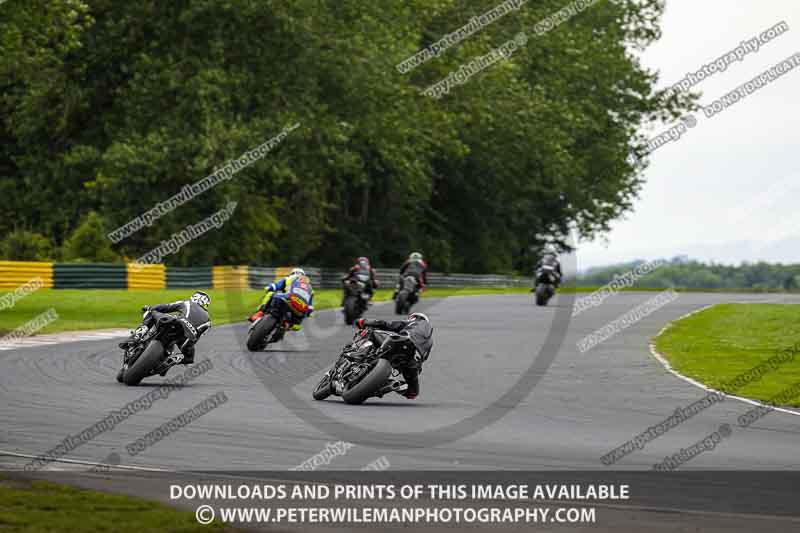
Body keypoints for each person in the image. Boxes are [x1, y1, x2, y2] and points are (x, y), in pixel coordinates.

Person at [354, 312, 433, 400]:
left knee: (371, 332)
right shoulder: (430, 341)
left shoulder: (415, 322)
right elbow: (423, 358)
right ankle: (390, 385)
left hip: (400, 342)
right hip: (412, 362)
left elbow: (387, 325)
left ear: (414, 318)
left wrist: (363, 321)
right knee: (413, 393)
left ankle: (357, 355)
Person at [118, 291, 211, 365]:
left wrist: (150, 308)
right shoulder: (208, 321)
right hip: (186, 338)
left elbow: (166, 307)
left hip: (175, 323)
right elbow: (197, 336)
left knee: (151, 312)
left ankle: (138, 335)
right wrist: (188, 349)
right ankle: (172, 360)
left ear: (193, 298)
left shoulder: (187, 303)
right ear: (206, 304)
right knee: (189, 359)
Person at [249, 268, 314, 330]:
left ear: (293, 273)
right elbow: (310, 307)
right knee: (297, 326)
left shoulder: (291, 278)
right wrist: (308, 314)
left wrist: (269, 288)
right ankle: (287, 324)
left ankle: (261, 312)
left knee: (271, 294)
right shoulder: (310, 288)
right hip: (300, 309)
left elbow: (275, 286)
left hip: (290, 299)